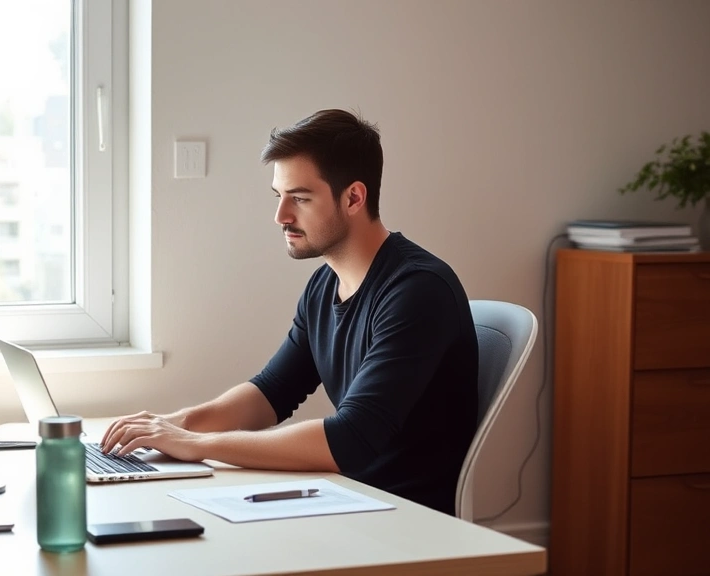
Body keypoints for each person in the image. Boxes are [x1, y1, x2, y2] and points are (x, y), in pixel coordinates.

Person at [100, 109, 478, 515]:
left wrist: (196, 446)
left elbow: (349, 439)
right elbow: (271, 392)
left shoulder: (417, 291)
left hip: (405, 520)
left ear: (353, 197)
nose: (281, 216)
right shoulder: (324, 284)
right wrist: (174, 425)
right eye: (279, 197)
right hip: (347, 501)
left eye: (299, 198)